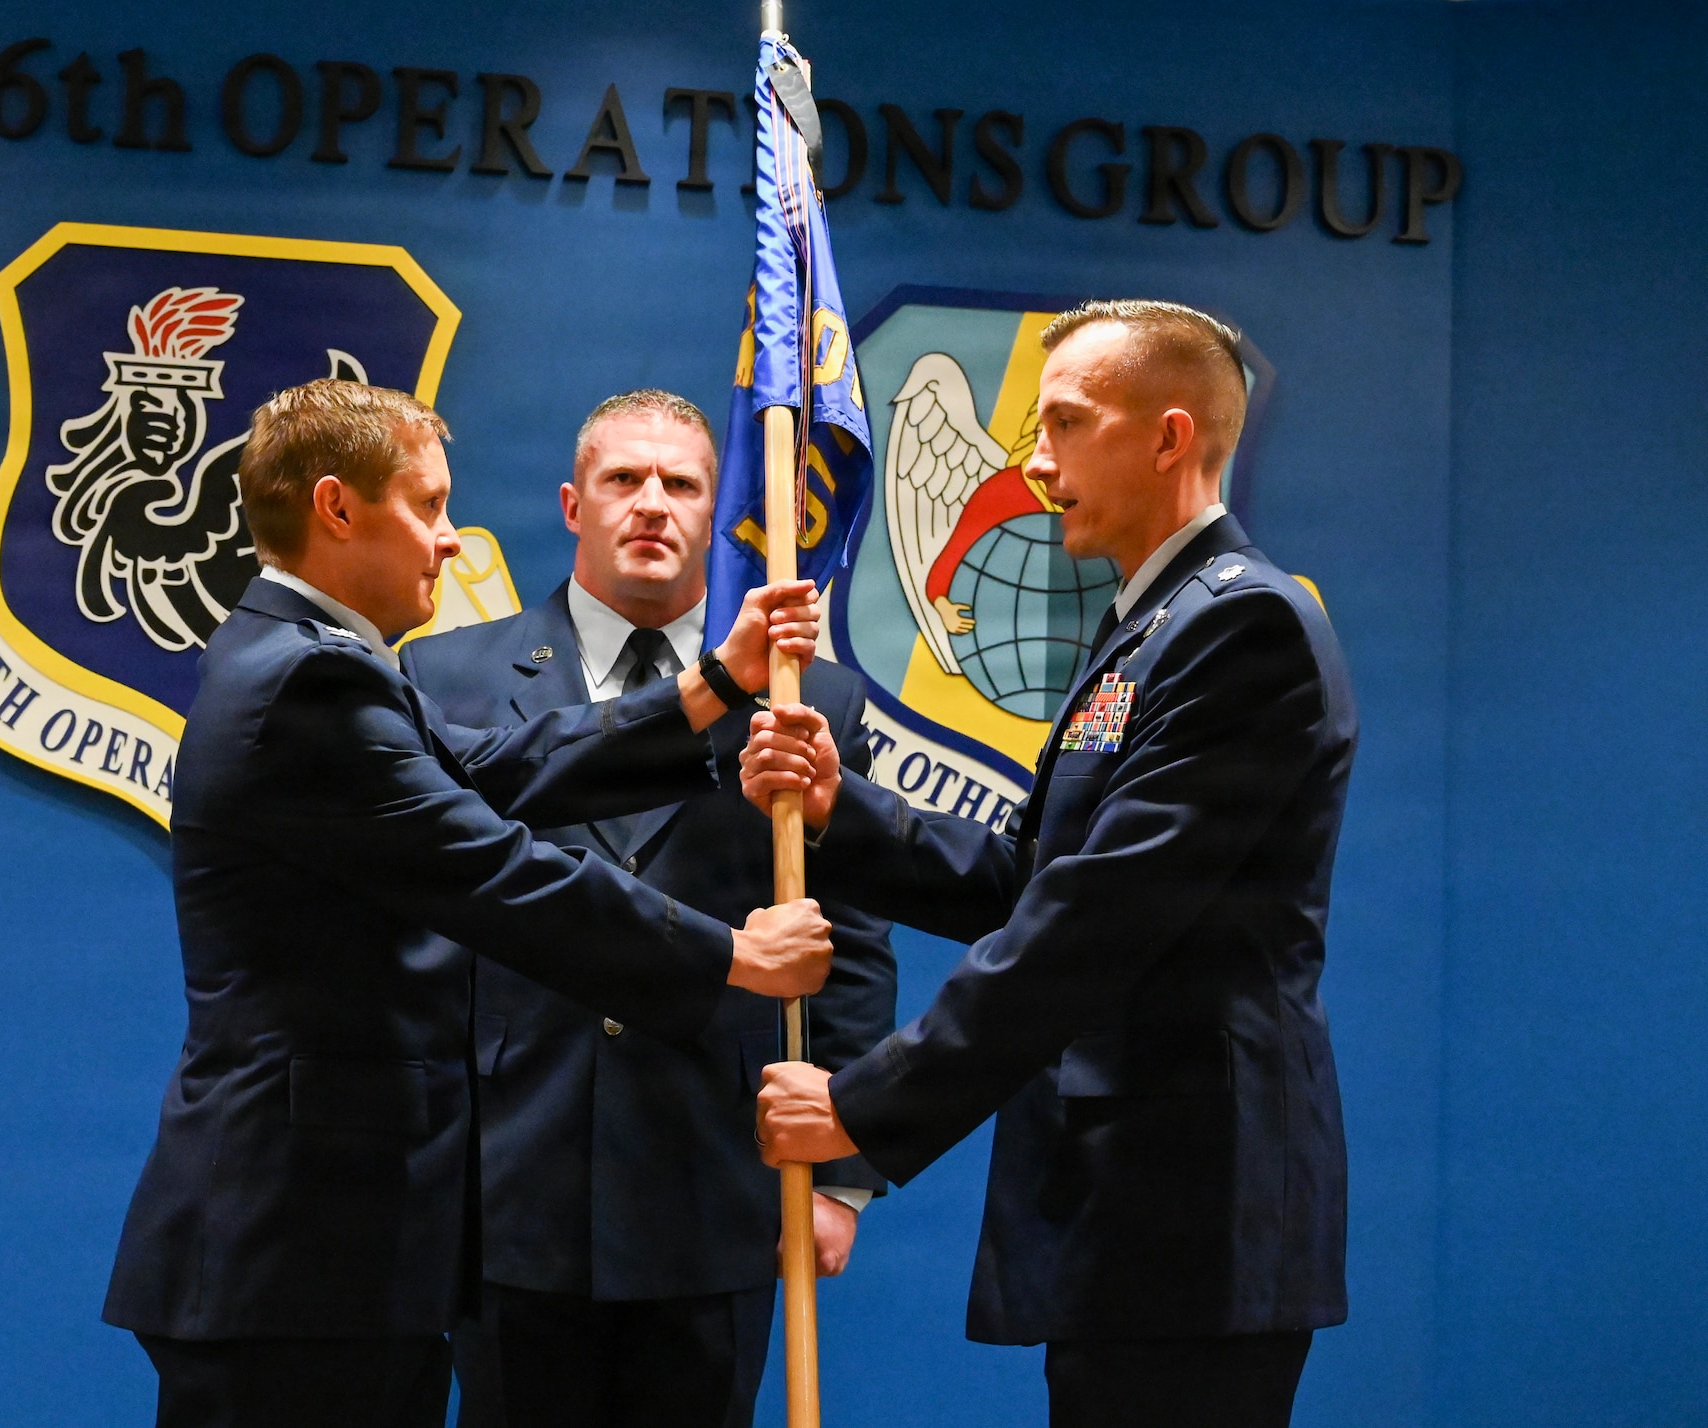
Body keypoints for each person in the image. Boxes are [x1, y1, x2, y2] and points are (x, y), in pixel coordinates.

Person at [100, 380, 834, 1428]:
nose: (450, 541)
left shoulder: (314, 658)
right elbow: (497, 870)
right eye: (427, 506)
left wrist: (709, 684)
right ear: (337, 509)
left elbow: (496, 769)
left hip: (318, 1242)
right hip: (294, 1246)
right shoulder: (310, 682)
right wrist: (727, 956)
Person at [743, 301, 1358, 1428]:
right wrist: (843, 812)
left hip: (1192, 1207)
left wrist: (865, 1104)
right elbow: (1032, 877)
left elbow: (1093, 921)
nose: (1031, 463)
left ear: (1169, 436)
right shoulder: (1148, 621)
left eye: (1065, 424)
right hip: (1130, 1205)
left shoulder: (1239, 627)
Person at [402, 390, 897, 1428]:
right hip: (507, 1179)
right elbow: (418, 936)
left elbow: (846, 942)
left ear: (719, 521)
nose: (651, 505)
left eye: (681, 485)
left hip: (712, 1179)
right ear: (572, 504)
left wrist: (841, 1175)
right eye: (623, 479)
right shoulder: (443, 678)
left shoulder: (811, 699)